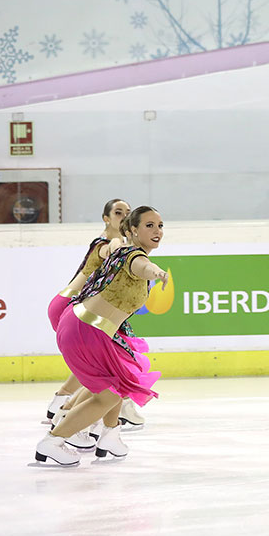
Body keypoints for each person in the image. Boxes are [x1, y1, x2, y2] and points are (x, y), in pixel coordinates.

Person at [35, 206, 168, 466]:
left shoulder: (124, 250)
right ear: (132, 230)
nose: (157, 231)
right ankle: (53, 441)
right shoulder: (132, 255)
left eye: (160, 225)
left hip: (88, 326)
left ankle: (110, 434)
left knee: (120, 380)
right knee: (108, 395)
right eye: (149, 225)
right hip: (85, 329)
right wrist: (158, 273)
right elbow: (142, 266)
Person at [45, 198, 130, 425]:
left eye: (128, 213)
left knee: (95, 360)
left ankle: (65, 407)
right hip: (71, 305)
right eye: (119, 213)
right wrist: (118, 245)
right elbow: (111, 248)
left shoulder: (114, 240)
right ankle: (68, 411)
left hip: (71, 303)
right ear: (106, 218)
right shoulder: (111, 242)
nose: (124, 217)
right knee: (99, 361)